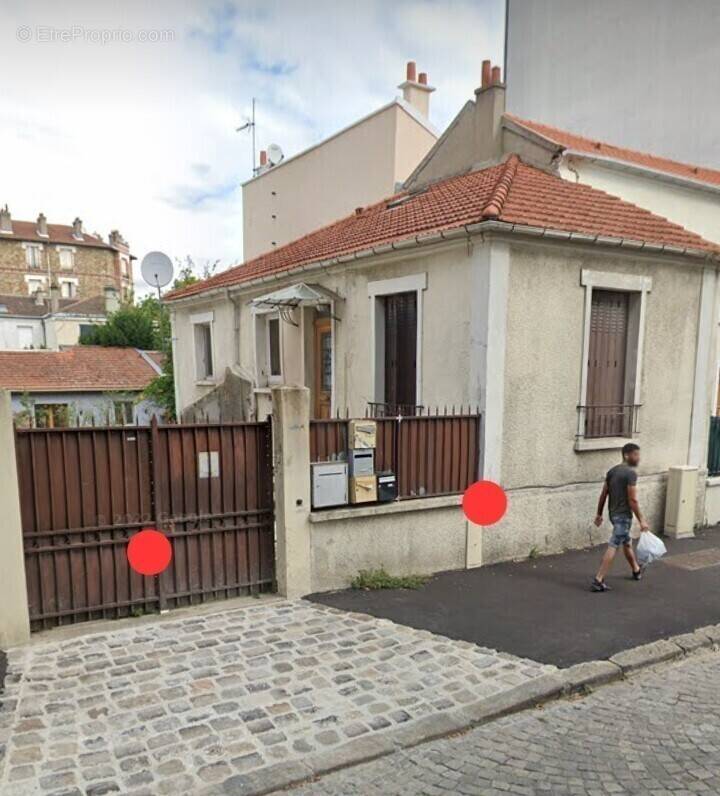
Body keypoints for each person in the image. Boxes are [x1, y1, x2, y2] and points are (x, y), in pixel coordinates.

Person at [591, 443, 649, 592]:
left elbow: (604, 494)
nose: (638, 458)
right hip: (623, 516)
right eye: (635, 454)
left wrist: (599, 514)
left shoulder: (612, 472)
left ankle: (636, 570)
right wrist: (642, 519)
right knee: (614, 544)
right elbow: (633, 500)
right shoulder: (630, 474)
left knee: (626, 542)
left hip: (614, 514)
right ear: (626, 455)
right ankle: (598, 579)